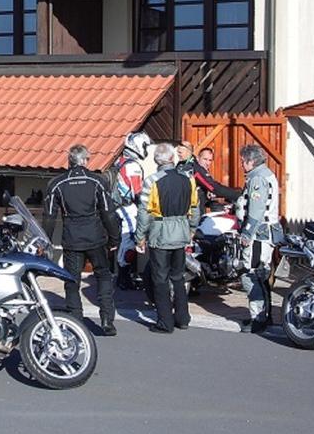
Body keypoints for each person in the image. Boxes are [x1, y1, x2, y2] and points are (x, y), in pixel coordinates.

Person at [43, 144, 121, 336]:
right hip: (95, 237)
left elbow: (49, 217)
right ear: (86, 160)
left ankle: (76, 320)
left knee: (72, 281)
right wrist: (114, 238)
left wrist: (45, 242)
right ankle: (106, 320)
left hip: (72, 238)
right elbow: (108, 213)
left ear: (69, 161)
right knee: (103, 276)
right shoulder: (97, 181)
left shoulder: (57, 184)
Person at [135, 144, 199, 333]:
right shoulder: (188, 178)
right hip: (181, 231)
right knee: (178, 276)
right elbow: (195, 207)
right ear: (172, 158)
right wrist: (192, 228)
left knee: (160, 278)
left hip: (160, 233)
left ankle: (165, 321)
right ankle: (183, 317)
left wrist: (140, 236)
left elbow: (144, 213)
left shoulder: (152, 181)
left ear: (157, 160)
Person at [234, 144, 284, 334]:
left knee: (251, 274)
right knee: (261, 275)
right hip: (264, 233)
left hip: (259, 235)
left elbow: (256, 209)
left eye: (242, 161)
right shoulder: (265, 174)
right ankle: (264, 315)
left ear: (251, 161)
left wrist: (247, 233)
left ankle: (258, 318)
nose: (241, 165)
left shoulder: (258, 178)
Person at [110, 131, 150, 290]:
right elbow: (138, 192)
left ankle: (125, 276)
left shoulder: (120, 161)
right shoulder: (132, 165)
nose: (146, 149)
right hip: (127, 208)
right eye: (145, 145)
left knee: (127, 242)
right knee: (130, 241)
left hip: (119, 207)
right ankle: (124, 278)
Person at [192, 146, 241, 219]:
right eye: (205, 159)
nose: (207, 163)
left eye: (210, 160)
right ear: (198, 158)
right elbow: (213, 187)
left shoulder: (201, 169)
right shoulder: (197, 170)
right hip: (193, 212)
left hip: (198, 208)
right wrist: (235, 194)